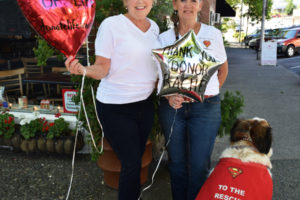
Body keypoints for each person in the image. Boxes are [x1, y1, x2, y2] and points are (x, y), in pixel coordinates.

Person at [65, 0, 159, 199]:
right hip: (116, 107)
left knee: (136, 159)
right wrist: (84, 70)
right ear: (125, 1)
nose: (140, 2)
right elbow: (102, 67)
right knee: (132, 163)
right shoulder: (111, 25)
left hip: (145, 105)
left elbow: (154, 66)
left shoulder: (155, 28)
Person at [158, 0, 228, 200]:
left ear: (200, 6)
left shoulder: (213, 35)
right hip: (172, 109)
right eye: (182, 0)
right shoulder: (164, 38)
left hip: (206, 108)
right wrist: (170, 96)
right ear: (174, 5)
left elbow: (222, 70)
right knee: (177, 164)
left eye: (193, 1)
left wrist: (208, 92)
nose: (188, 5)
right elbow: (160, 75)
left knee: (199, 166)